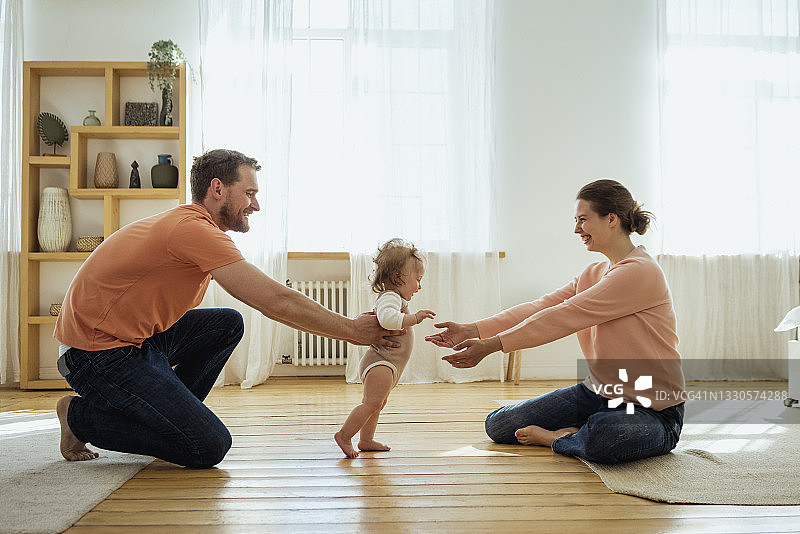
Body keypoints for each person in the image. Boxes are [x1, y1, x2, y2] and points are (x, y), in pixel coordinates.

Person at [53, 148, 403, 467]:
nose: (256, 205)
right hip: (96, 354)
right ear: (217, 189)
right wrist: (353, 331)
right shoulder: (193, 230)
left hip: (137, 341)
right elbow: (275, 301)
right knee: (207, 446)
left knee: (226, 324)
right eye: (249, 194)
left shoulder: (195, 227)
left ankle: (168, 418)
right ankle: (78, 417)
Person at [426, 179, 685, 464]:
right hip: (597, 392)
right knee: (498, 425)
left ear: (611, 219)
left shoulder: (640, 272)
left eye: (583, 220)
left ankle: (558, 438)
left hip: (653, 410)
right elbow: (542, 306)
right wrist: (472, 329)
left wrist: (490, 346)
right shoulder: (595, 272)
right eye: (576, 220)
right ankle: (581, 433)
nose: (577, 229)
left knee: (606, 436)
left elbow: (564, 317)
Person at [334, 239, 435, 458]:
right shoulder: (390, 297)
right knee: (371, 403)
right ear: (398, 277)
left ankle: (366, 440)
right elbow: (387, 319)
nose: (419, 286)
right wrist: (414, 318)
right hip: (381, 362)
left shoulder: (396, 298)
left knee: (377, 404)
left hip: (388, 364)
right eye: (417, 280)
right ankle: (344, 435)